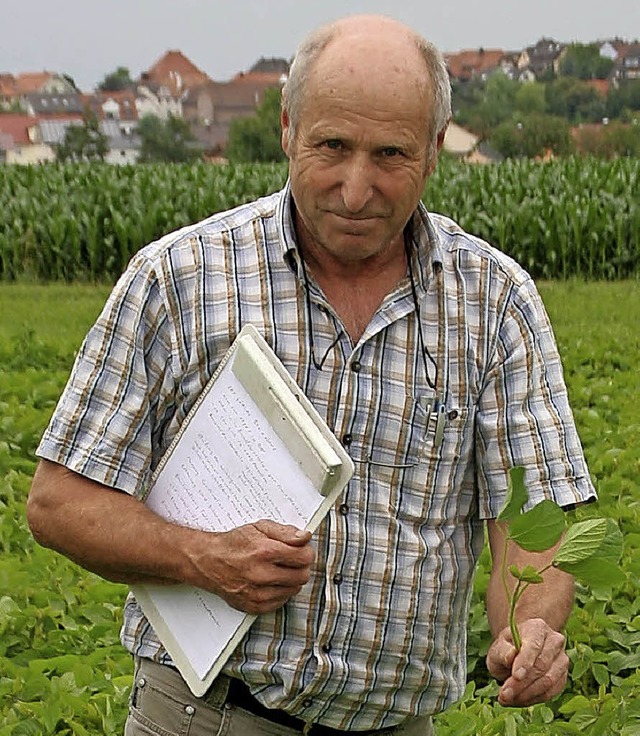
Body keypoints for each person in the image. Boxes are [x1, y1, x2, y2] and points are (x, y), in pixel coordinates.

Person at [27, 14, 596, 736]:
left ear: (432, 155)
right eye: (332, 146)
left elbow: (533, 515)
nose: (355, 190)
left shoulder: (494, 303)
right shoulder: (180, 279)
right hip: (204, 719)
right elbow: (58, 502)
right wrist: (201, 558)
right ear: (289, 129)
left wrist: (530, 628)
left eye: (390, 154)